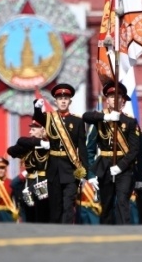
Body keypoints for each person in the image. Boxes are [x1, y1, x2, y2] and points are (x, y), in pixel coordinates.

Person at [81, 82, 140, 225]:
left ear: (123, 100)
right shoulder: (100, 121)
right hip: (104, 167)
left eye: (118, 97)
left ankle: (124, 233)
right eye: (111, 96)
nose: (114, 99)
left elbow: (134, 149)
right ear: (106, 100)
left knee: (122, 202)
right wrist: (91, 175)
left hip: (124, 169)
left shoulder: (130, 122)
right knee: (106, 205)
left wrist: (121, 166)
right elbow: (89, 148)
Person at [32, 83, 88, 224]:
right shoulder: (50, 118)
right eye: (60, 98)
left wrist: (85, 172)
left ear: (70, 101)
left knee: (68, 205)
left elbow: (82, 147)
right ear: (55, 101)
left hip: (71, 169)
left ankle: (67, 232)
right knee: (55, 207)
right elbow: (38, 118)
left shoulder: (78, 121)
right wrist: (37, 106)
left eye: (66, 98)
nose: (63, 101)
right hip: (54, 168)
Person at [7, 120, 50, 223]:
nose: (30, 132)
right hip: (29, 182)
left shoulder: (48, 144)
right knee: (29, 211)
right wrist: (37, 142)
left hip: (44, 182)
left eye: (33, 130)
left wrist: (42, 142)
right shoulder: (28, 145)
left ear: (42, 130)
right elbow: (11, 150)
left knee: (42, 211)